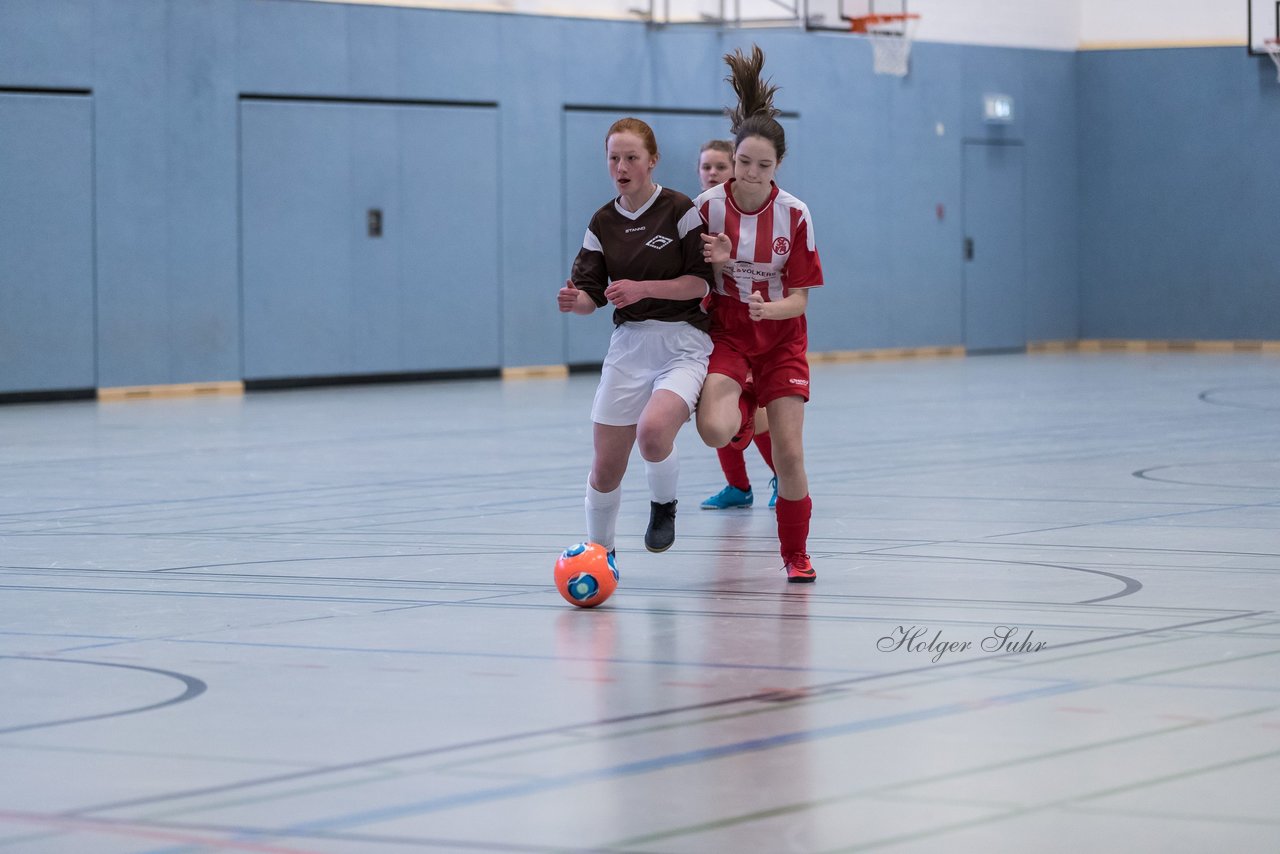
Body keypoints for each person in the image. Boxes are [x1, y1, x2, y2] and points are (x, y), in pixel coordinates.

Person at [558, 117, 715, 572]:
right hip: (629, 346)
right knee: (606, 466)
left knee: (652, 433)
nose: (621, 167)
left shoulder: (680, 209)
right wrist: (577, 301)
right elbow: (592, 296)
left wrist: (643, 288)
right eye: (614, 158)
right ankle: (599, 556)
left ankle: (664, 504)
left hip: (684, 342)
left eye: (631, 158)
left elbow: (700, 286)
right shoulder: (602, 222)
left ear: (652, 161)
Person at [695, 46, 824, 583]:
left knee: (790, 456)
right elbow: (691, 284)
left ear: (778, 166)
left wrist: (772, 308)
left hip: (781, 339)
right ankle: (747, 416)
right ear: (733, 157)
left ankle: (795, 554)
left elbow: (800, 299)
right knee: (712, 428)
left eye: (763, 165)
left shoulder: (795, 214)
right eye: (743, 162)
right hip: (727, 333)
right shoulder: (705, 209)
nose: (750, 173)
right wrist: (716, 267)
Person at [695, 140, 778, 512]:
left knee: (754, 413)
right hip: (710, 323)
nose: (712, 173)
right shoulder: (697, 214)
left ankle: (781, 474)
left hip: (752, 325)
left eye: (719, 166)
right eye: (705, 167)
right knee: (713, 403)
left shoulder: (760, 215)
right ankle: (738, 486)